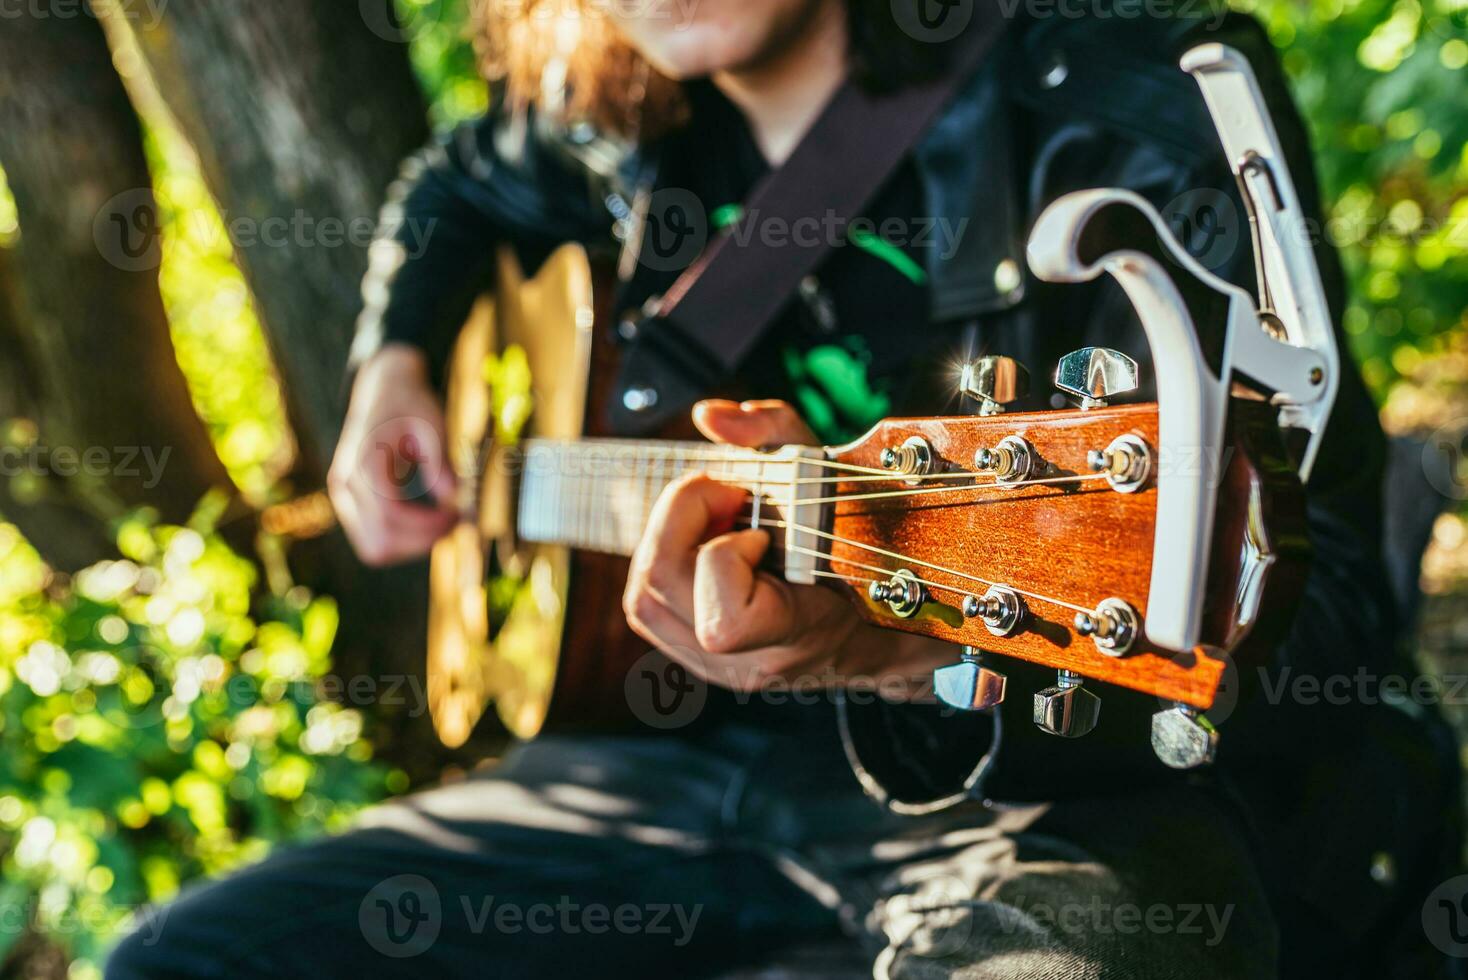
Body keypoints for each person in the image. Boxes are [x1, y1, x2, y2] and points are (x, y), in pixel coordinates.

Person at [108, 2, 1454, 977]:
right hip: (657, 760)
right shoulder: (605, 115)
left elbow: (1319, 592)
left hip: (1034, 791)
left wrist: (902, 650)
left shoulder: (1135, 92)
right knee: (184, 958)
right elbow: (449, 191)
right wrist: (392, 363)